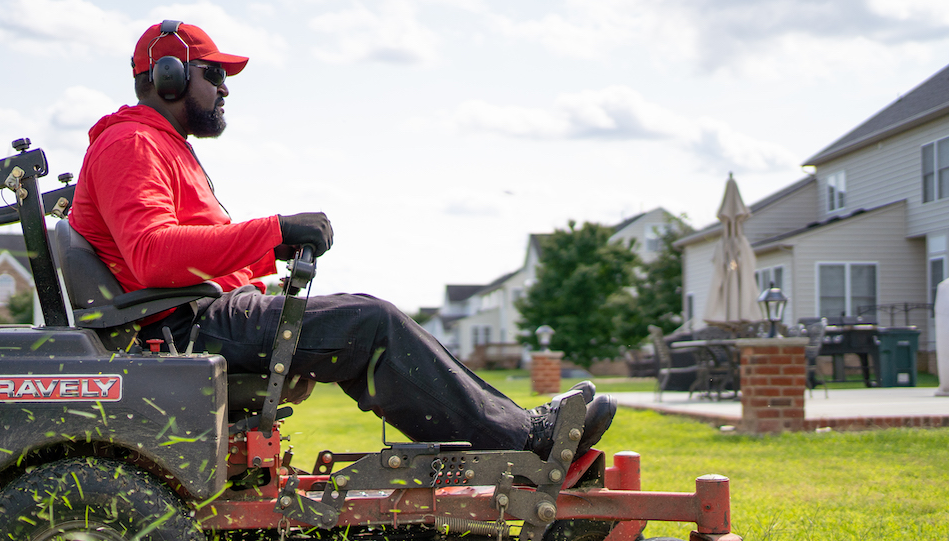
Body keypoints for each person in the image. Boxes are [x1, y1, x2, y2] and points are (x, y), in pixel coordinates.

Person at [66, 20, 615, 459]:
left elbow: (187, 252)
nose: (226, 87)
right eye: (214, 73)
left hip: (195, 315)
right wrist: (275, 231)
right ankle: (524, 442)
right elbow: (152, 254)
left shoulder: (157, 145)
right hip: (184, 328)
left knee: (365, 315)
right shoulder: (133, 144)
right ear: (169, 77)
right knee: (371, 323)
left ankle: (516, 430)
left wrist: (266, 266)